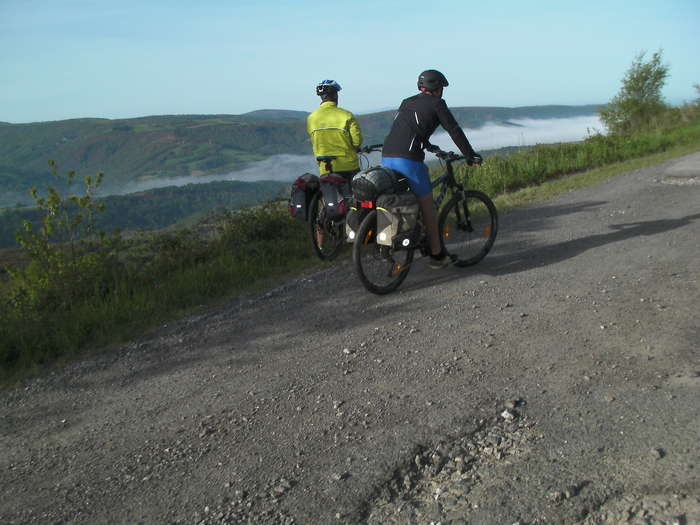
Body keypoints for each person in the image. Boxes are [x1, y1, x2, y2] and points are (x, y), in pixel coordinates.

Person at [382, 69, 483, 269]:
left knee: (396, 200)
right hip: (408, 160)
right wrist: (470, 155)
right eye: (441, 88)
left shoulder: (407, 101)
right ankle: (437, 256)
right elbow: (454, 130)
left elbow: (409, 128)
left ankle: (387, 241)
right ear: (437, 89)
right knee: (428, 207)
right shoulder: (438, 104)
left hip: (387, 157)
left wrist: (429, 146)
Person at [306, 79, 363, 179]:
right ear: (335, 95)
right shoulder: (346, 115)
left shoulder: (311, 118)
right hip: (349, 166)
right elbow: (357, 142)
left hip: (325, 168)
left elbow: (313, 141)